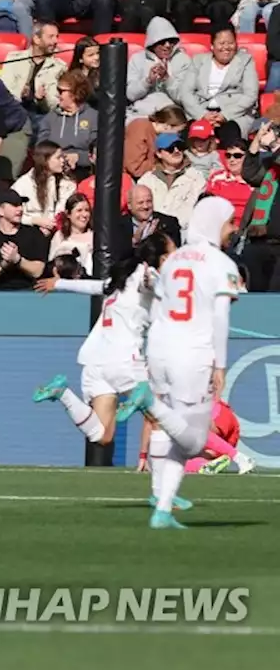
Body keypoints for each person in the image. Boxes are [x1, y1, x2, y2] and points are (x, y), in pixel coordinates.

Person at [117, 196, 243, 529]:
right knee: (194, 441)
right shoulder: (220, 263)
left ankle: (163, 506)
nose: (233, 230)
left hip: (159, 348)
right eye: (230, 222)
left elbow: (158, 307)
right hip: (193, 352)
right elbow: (220, 316)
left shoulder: (173, 261)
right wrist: (220, 364)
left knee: (165, 433)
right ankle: (150, 407)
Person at [32, 232, 175, 468]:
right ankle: (163, 492)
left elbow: (96, 286)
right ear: (159, 258)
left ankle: (63, 393)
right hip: (124, 360)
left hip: (95, 361)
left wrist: (58, 283)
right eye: (172, 253)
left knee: (102, 435)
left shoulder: (121, 279)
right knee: (159, 419)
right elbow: (151, 281)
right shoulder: (145, 275)